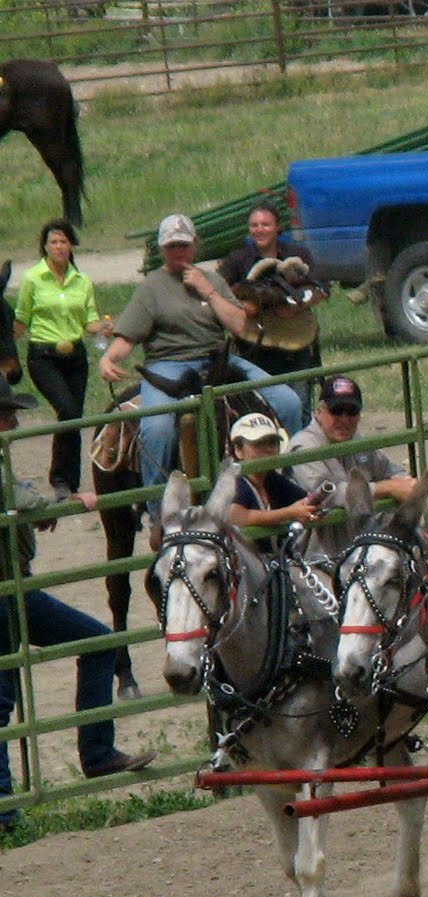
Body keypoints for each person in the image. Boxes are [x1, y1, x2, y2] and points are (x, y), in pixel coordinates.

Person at [0, 377, 154, 829]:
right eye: (7, 414)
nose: (13, 420)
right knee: (3, 694)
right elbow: (17, 496)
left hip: (14, 588)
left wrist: (26, 518)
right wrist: (58, 505)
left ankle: (95, 755)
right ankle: (6, 811)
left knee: (97, 643)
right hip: (7, 592)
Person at [97, 213, 304, 494]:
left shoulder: (213, 281)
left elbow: (238, 323)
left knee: (288, 401)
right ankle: (158, 507)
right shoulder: (151, 287)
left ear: (196, 245)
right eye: (172, 246)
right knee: (157, 428)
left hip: (218, 360)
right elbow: (128, 336)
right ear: (162, 250)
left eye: (183, 245)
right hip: (168, 364)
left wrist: (208, 291)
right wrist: (109, 358)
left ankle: (291, 480)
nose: (178, 252)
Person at [11, 218, 107, 501]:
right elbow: (21, 320)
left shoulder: (83, 281)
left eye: (63, 241)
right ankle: (59, 478)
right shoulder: (33, 279)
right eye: (53, 242)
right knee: (66, 409)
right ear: (45, 246)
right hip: (44, 356)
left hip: (75, 357)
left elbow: (88, 321)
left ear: (71, 245)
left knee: (74, 417)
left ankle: (70, 484)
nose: (59, 247)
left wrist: (103, 327)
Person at [218, 201, 328, 421]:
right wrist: (245, 306)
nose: (260, 229)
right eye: (255, 225)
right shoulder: (238, 260)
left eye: (265, 224)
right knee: (257, 407)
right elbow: (218, 293)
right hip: (254, 348)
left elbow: (322, 289)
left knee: (299, 406)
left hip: (296, 345)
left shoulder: (298, 254)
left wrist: (297, 307)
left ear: (278, 227)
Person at [288, 375, 416, 510]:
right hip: (317, 529)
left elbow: (388, 470)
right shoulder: (303, 446)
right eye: (336, 411)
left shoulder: (355, 439)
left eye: (351, 411)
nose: (344, 419)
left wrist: (406, 483)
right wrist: (386, 488)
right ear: (319, 412)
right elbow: (327, 496)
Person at [227, 413, 318, 550]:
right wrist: (290, 513)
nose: (268, 450)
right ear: (238, 450)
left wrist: (310, 504)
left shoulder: (272, 479)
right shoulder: (236, 481)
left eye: (272, 443)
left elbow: (303, 499)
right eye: (258, 444)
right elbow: (235, 516)